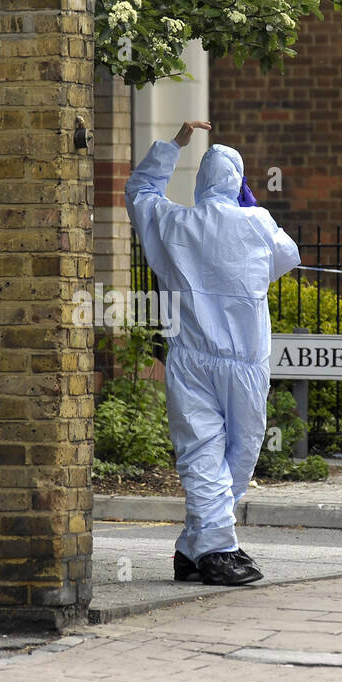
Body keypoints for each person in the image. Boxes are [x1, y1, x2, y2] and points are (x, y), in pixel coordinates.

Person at [124, 120, 300, 586]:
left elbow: (139, 192)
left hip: (191, 358)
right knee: (237, 453)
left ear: (201, 182)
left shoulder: (174, 222)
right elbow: (289, 256)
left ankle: (193, 547)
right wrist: (250, 213)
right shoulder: (257, 223)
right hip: (245, 360)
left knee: (202, 452)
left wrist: (173, 146)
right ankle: (219, 548)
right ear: (239, 184)